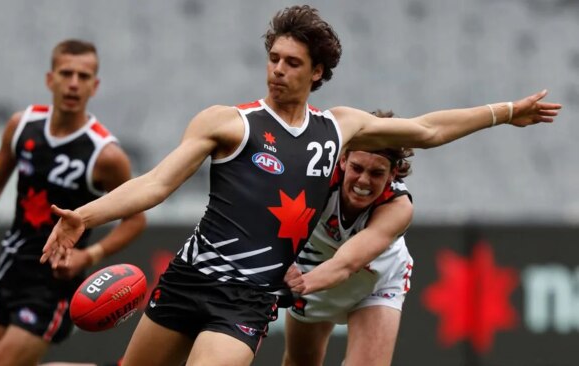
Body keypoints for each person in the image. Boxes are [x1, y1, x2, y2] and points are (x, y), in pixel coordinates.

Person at [41, 5, 561, 366]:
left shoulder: (339, 127)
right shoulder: (228, 122)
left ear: (317, 73)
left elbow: (426, 130)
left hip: (246, 302)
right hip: (186, 280)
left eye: (293, 63)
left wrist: (506, 112)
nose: (278, 71)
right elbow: (155, 184)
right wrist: (85, 216)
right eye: (273, 59)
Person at [0, 39, 146, 366]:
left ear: (95, 85)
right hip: (13, 266)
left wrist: (88, 255)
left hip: (55, 280)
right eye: (66, 73)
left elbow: (136, 219)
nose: (74, 83)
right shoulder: (21, 126)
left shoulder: (105, 154)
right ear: (51, 79)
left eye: (84, 76)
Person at [282, 110, 414, 366]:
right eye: (357, 168)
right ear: (342, 159)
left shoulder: (398, 207)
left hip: (376, 281)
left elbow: (347, 264)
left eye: (377, 173)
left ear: (392, 174)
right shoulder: (315, 181)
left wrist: (289, 288)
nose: (363, 181)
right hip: (314, 267)